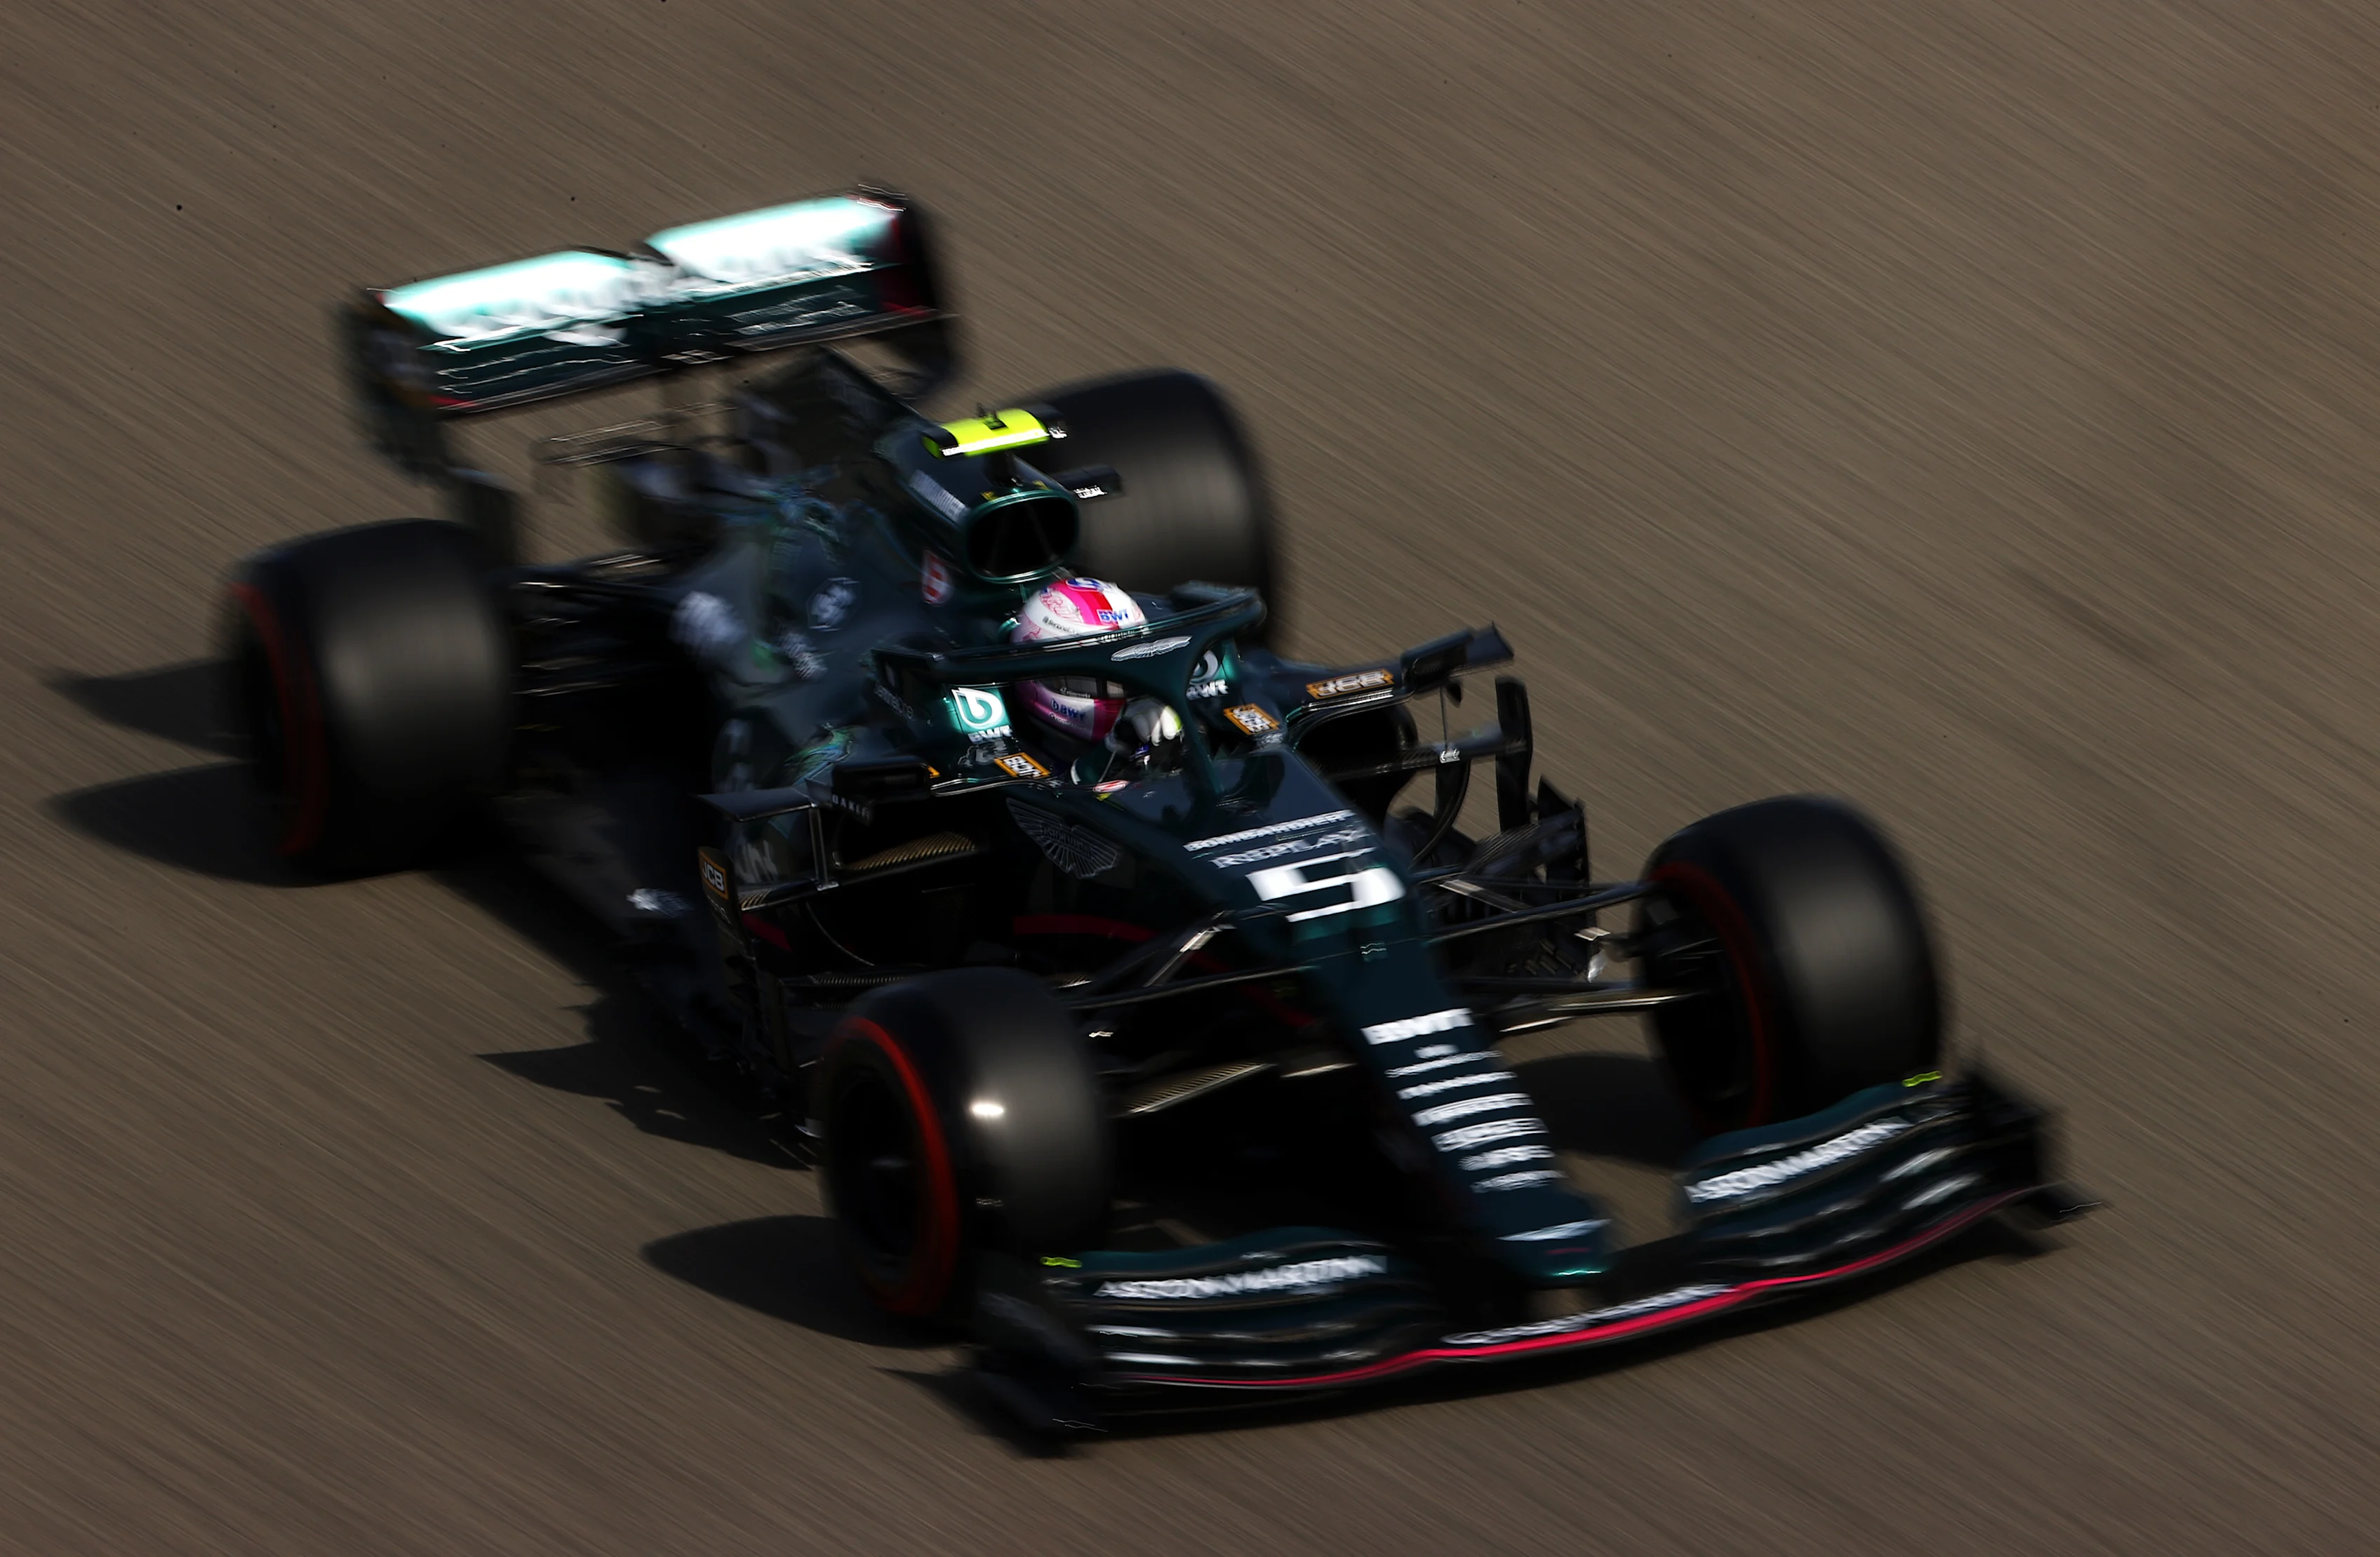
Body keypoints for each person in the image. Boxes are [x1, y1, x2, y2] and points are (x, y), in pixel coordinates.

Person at [1010, 577, 1186, 783]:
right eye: (1092, 677)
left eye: (1130, 667)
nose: (1119, 684)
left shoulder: (1159, 709)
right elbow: (1058, 798)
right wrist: (1113, 750)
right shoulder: (1017, 745)